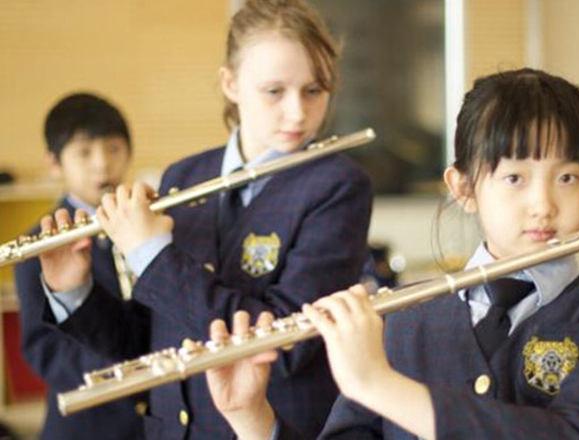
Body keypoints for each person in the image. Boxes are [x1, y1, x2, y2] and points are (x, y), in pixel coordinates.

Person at [205, 68, 579, 440]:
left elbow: (576, 433)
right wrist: (252, 420)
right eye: (514, 178)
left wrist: (379, 384)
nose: (543, 205)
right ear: (462, 188)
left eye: (567, 178)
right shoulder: (401, 317)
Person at [36, 0, 373, 439]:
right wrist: (75, 291)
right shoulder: (185, 175)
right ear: (230, 83)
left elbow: (284, 344)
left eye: (314, 90)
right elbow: (150, 339)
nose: (297, 112)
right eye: (274, 91)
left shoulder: (339, 186)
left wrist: (150, 253)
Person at [14, 92, 146, 440]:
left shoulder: (151, 226)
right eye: (84, 152)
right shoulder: (36, 247)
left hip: (158, 422)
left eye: (114, 148)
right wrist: (130, 370)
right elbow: (44, 349)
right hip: (88, 425)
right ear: (54, 163)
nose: (102, 164)